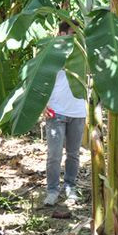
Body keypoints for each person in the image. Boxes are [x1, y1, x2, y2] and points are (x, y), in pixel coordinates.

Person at [44, 22, 86, 206]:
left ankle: (70, 186)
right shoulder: (51, 54)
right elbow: (41, 80)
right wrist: (42, 104)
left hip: (78, 110)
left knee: (73, 154)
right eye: (72, 33)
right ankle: (52, 190)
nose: (75, 37)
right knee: (54, 155)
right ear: (61, 33)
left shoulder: (83, 53)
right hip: (56, 110)